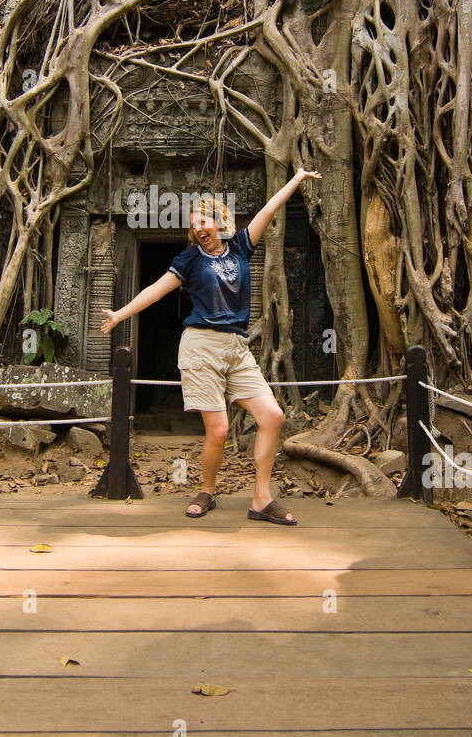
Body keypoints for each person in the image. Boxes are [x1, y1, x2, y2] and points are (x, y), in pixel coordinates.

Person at [100, 169, 322, 524]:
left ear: (220, 222)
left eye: (204, 221)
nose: (199, 229)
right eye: (194, 225)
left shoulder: (241, 247)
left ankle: (262, 500)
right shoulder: (189, 259)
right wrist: (120, 314)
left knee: (273, 416)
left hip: (237, 347)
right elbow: (156, 289)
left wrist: (296, 179)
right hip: (201, 345)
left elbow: (268, 210)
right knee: (217, 430)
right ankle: (206, 490)